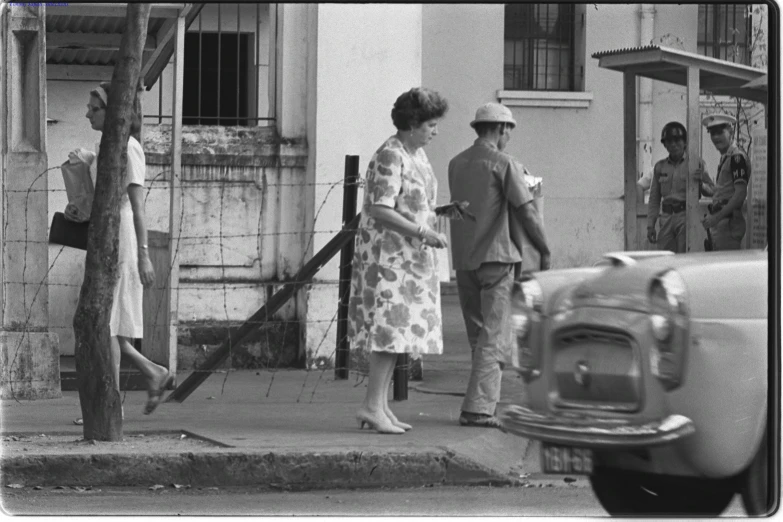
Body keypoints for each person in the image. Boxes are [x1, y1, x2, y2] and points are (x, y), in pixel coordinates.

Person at [348, 87, 450, 434]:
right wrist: (423, 232)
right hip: (388, 258)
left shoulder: (416, 155)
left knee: (398, 333)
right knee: (387, 331)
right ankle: (371, 405)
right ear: (412, 124)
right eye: (431, 124)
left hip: (408, 258)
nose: (435, 131)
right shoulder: (391, 155)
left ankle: (379, 406)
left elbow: (416, 203)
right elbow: (380, 208)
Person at [68, 82, 173, 417]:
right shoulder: (107, 148)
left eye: (94, 108)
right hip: (106, 234)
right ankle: (149, 376)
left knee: (109, 324)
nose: (87, 112)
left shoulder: (129, 148)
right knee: (106, 323)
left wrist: (143, 254)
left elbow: (137, 206)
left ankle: (110, 407)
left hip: (123, 236)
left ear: (111, 112)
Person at [448, 102, 550, 428]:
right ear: (502, 129)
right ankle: (477, 409)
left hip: (465, 259)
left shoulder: (456, 164)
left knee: (479, 336)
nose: (509, 137)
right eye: (509, 131)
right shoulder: (505, 164)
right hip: (497, 258)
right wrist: (544, 250)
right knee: (495, 337)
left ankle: (478, 401)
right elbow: (527, 211)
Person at [646, 122, 715, 253]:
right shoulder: (660, 167)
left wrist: (701, 183)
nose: (673, 144)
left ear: (685, 143)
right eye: (669, 141)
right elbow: (654, 198)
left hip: (686, 216)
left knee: (685, 256)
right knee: (665, 255)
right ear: (665, 144)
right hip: (666, 217)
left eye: (677, 140)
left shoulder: (696, 163)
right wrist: (650, 226)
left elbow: (712, 191)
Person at [701, 114, 751, 250]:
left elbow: (740, 195)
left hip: (728, 223)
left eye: (720, 132)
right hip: (721, 223)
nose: (715, 137)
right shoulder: (726, 158)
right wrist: (703, 181)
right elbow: (721, 193)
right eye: (712, 133)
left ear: (731, 132)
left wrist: (716, 218)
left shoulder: (737, 158)